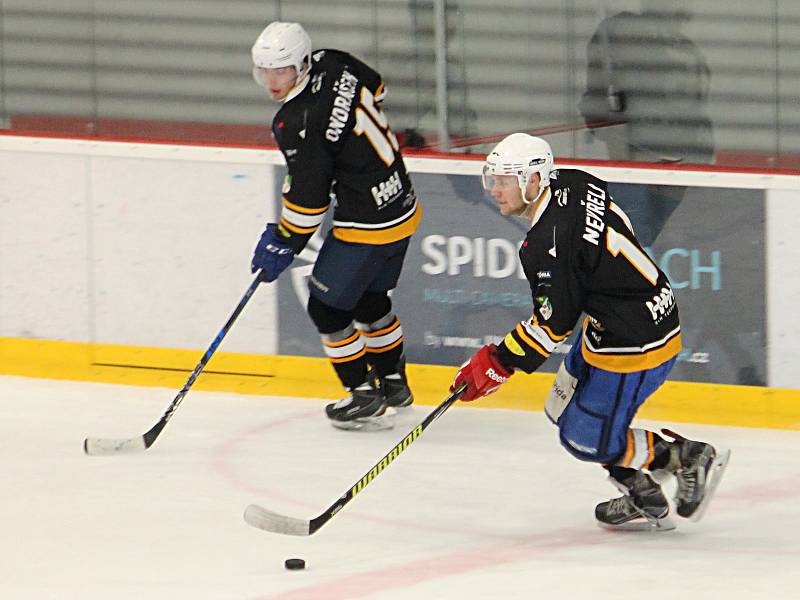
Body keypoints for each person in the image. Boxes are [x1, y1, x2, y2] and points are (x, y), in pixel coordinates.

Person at [450, 133, 730, 530]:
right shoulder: (574, 181)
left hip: (635, 343)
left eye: (505, 180)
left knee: (585, 439)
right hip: (624, 318)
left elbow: (553, 325)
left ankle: (685, 456)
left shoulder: (547, 245)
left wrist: (498, 362)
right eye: (492, 179)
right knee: (559, 406)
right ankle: (641, 491)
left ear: (533, 180)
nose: (495, 190)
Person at [249, 22, 421, 431]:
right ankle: (395, 385)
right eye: (266, 72)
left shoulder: (294, 120)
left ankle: (362, 394)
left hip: (368, 222)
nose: (273, 82)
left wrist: (284, 241)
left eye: (282, 71)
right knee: (370, 301)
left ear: (303, 64)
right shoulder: (335, 60)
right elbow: (377, 89)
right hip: (403, 203)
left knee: (326, 307)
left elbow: (309, 203)